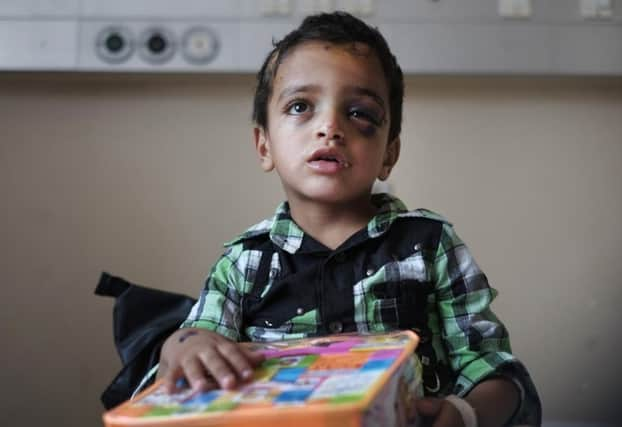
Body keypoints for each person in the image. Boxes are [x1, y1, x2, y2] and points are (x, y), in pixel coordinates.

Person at [154, 11, 541, 427]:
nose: (331, 127)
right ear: (263, 145)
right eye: (301, 106)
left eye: (360, 113)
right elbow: (195, 346)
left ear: (389, 153)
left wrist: (465, 414)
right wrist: (181, 344)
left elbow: (496, 373)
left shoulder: (429, 246)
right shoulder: (242, 264)